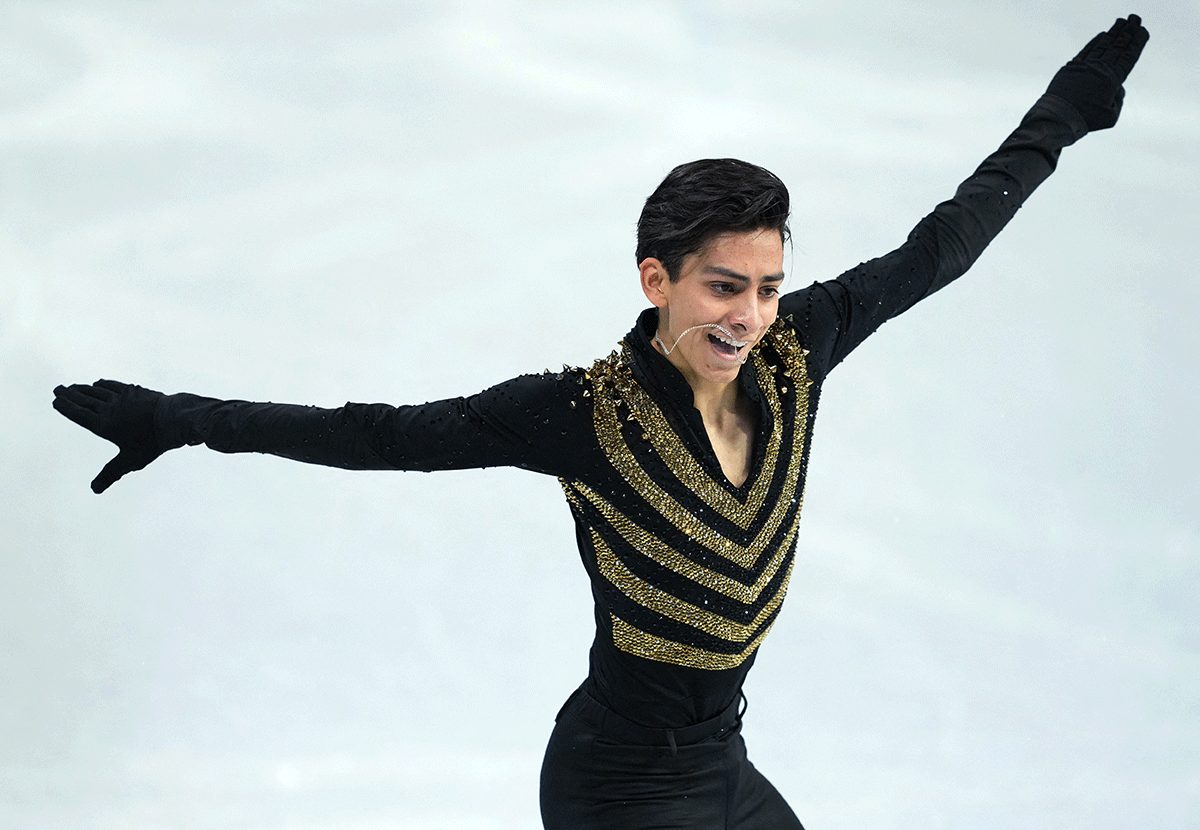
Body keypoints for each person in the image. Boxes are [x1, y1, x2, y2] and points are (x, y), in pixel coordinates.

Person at [53, 15, 1149, 829]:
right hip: (620, 786)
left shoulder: (798, 350)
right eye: (724, 287)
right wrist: (180, 416)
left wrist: (1063, 114)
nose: (751, 315)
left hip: (722, 766)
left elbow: (937, 249)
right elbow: (377, 431)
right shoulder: (581, 413)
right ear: (657, 278)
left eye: (767, 286)